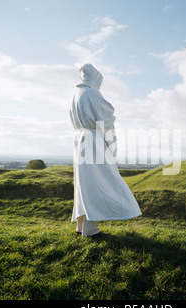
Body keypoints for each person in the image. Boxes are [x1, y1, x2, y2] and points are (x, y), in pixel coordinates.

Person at [69, 64, 142, 238]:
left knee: (84, 185)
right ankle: (91, 230)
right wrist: (110, 145)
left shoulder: (75, 94)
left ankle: (82, 226)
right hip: (94, 141)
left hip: (79, 141)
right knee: (96, 184)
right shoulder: (92, 94)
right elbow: (105, 120)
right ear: (94, 77)